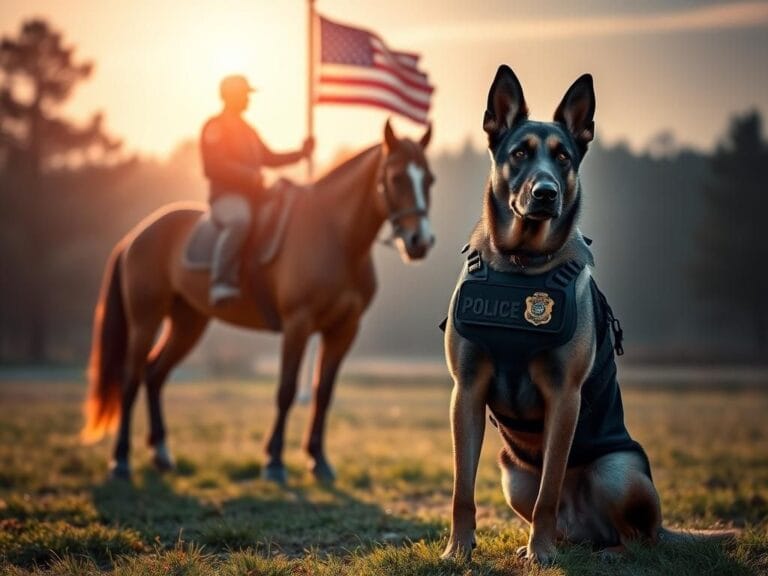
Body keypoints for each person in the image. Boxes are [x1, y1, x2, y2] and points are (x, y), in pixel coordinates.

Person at [201, 74, 313, 305]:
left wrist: (300, 154)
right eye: (244, 95)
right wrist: (248, 176)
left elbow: (269, 157)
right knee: (240, 221)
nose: (248, 100)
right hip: (226, 198)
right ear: (231, 97)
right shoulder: (215, 126)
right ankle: (221, 281)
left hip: (254, 196)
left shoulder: (248, 129)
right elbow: (213, 165)